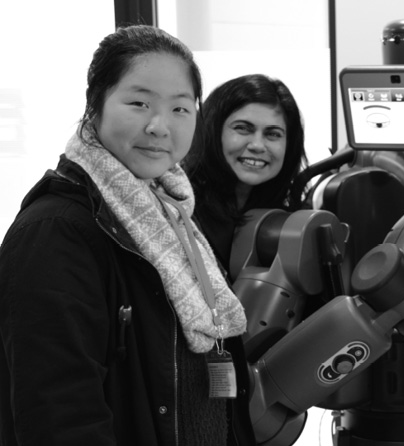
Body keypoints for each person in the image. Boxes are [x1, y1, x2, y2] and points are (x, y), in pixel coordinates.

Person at [0, 25, 254, 445]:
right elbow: (60, 414)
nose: (160, 126)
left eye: (180, 109)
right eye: (139, 103)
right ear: (94, 105)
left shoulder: (171, 212)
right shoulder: (56, 232)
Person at [181, 73, 308, 273]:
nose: (257, 145)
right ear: (213, 131)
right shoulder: (182, 211)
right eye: (242, 129)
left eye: (273, 134)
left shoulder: (286, 216)